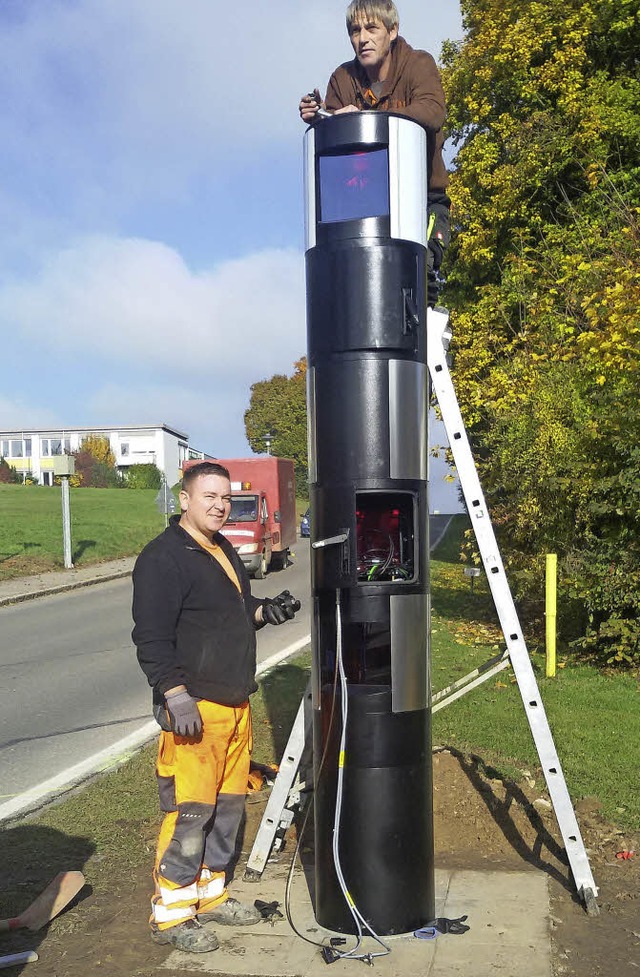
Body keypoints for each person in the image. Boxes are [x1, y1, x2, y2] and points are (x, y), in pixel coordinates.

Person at [132, 461, 301, 954]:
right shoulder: (163, 558)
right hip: (195, 711)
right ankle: (172, 913)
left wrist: (264, 611)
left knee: (226, 811)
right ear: (183, 499)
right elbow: (151, 636)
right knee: (190, 813)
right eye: (208, 495)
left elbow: (234, 611)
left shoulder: (221, 548)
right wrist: (174, 693)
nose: (219, 505)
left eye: (225, 497)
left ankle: (210, 895)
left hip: (234, 706)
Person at [299, 0, 451, 303]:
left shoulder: (418, 64)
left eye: (371, 28)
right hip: (364, 208)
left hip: (420, 202)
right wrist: (322, 120)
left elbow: (433, 112)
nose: (362, 38)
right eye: (355, 31)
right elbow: (338, 154)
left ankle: (426, 345)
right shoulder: (342, 79)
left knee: (418, 281)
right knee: (356, 294)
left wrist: (366, 120)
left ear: (392, 30)